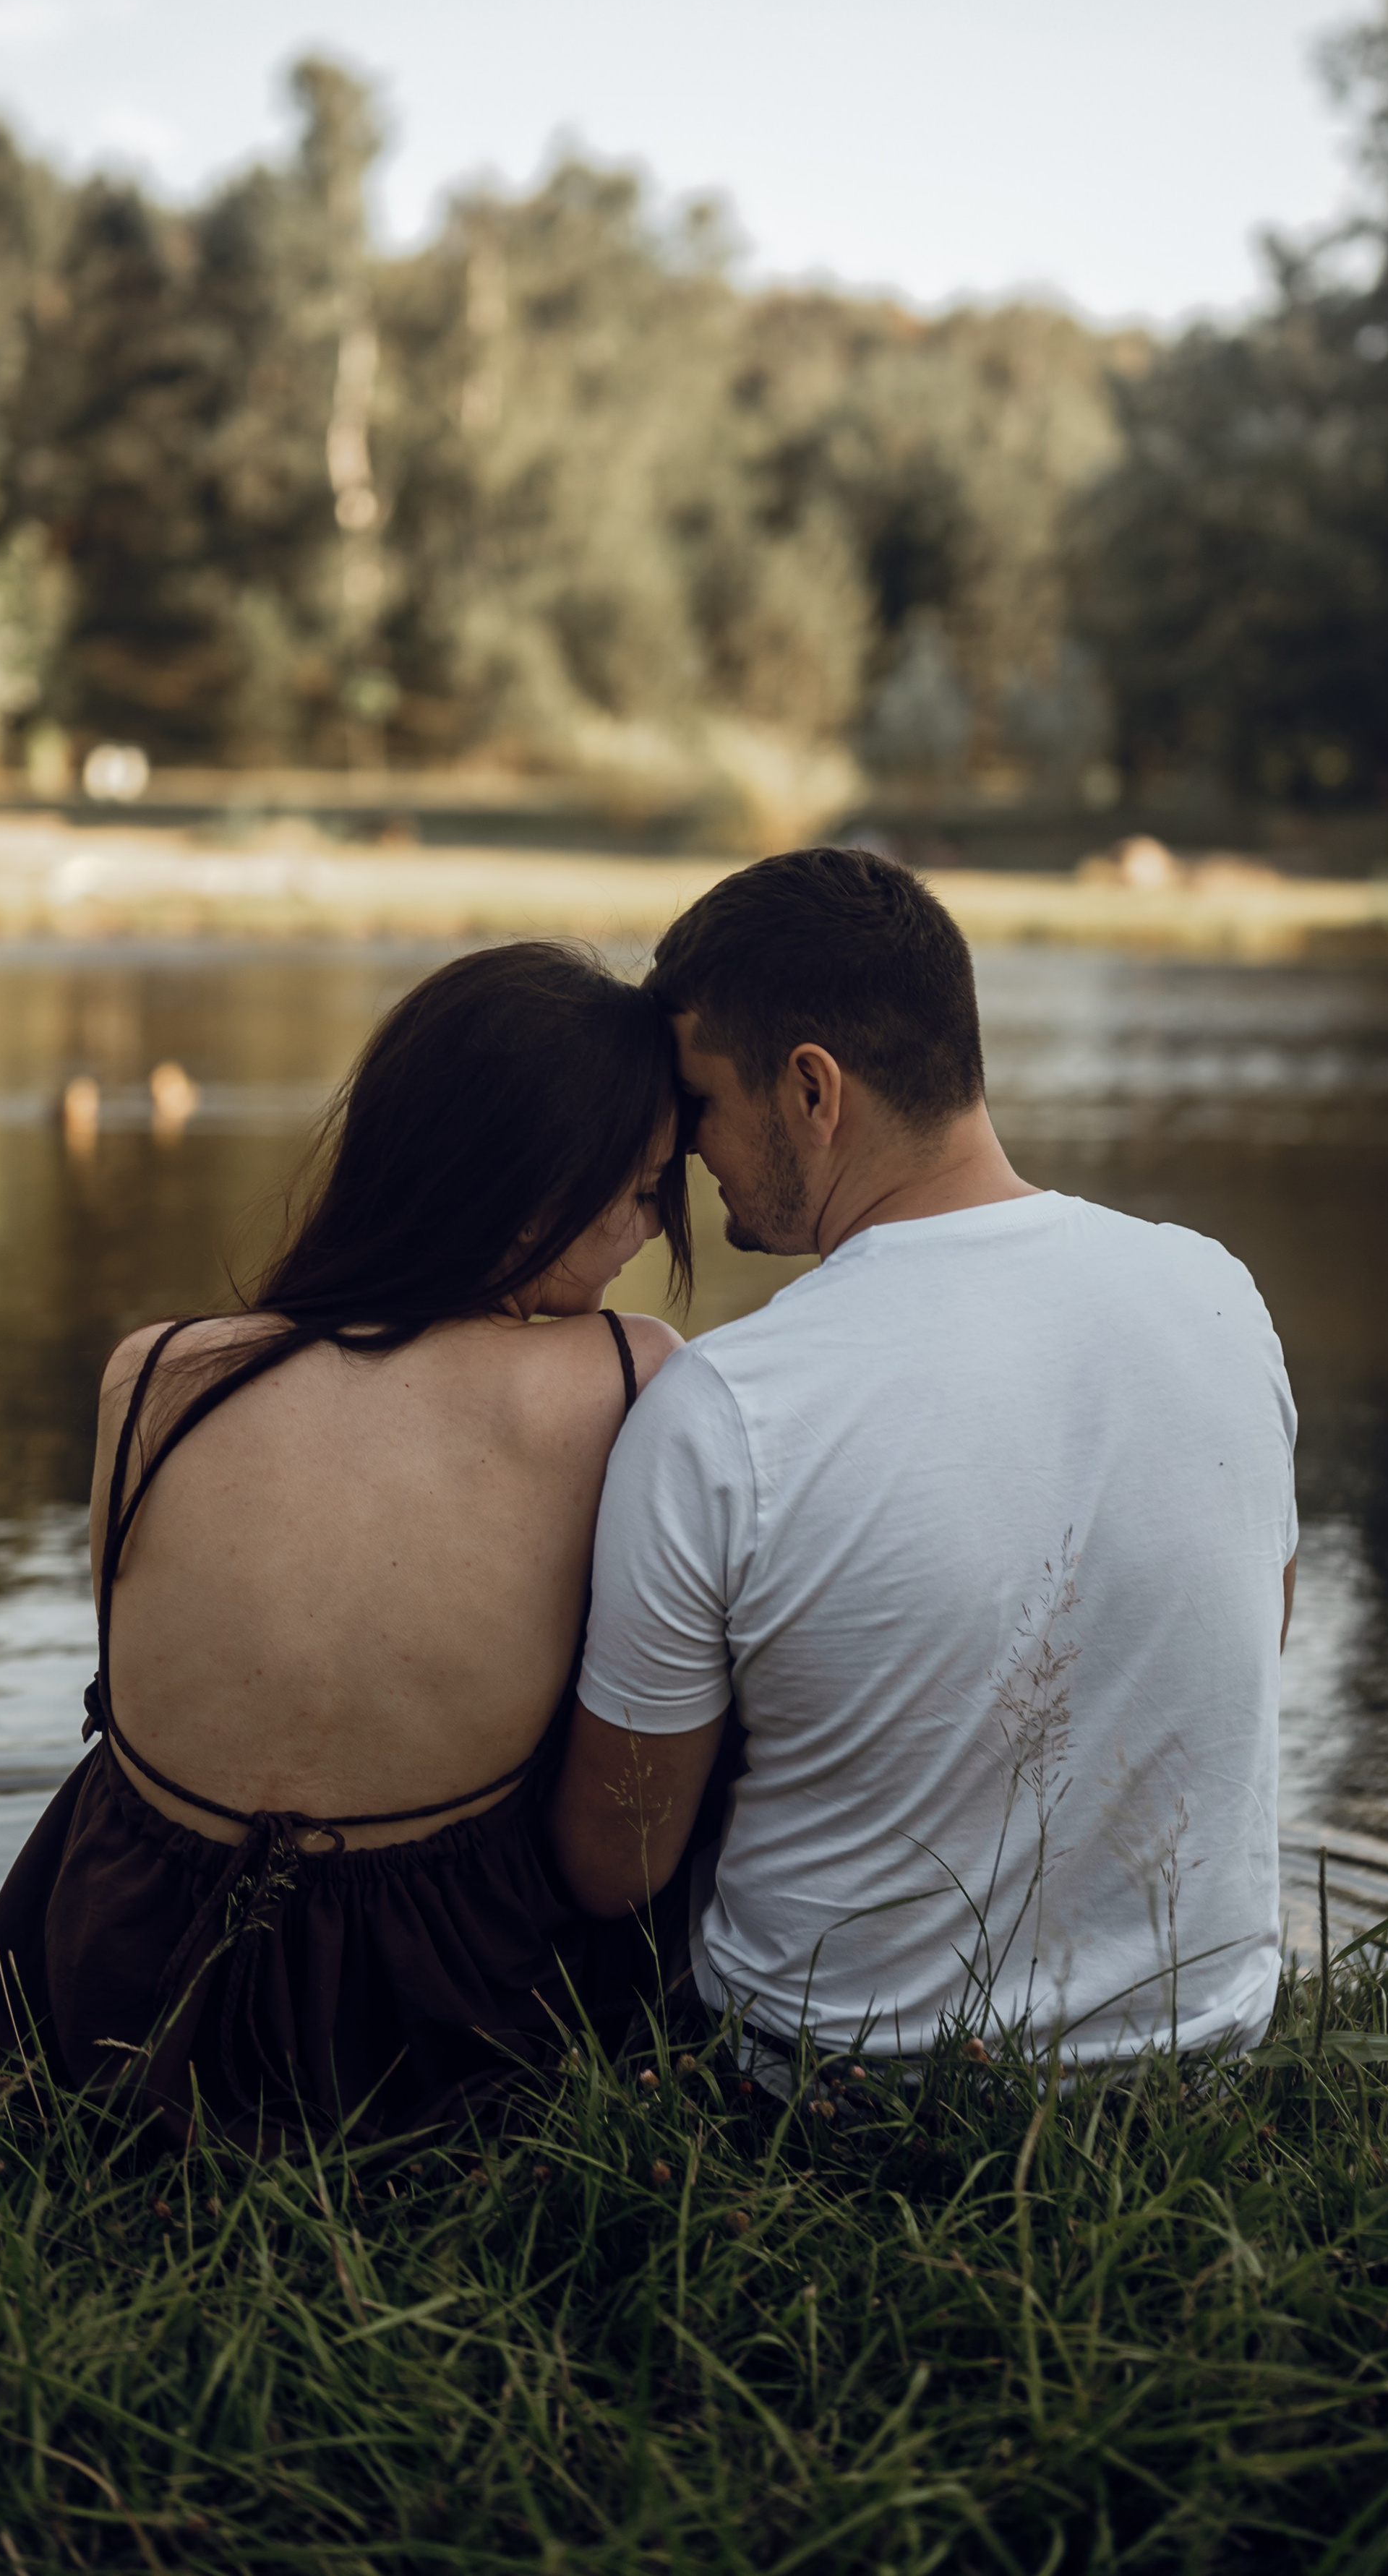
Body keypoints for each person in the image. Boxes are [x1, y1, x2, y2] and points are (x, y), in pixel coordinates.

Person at [552, 848, 1298, 2081]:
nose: (687, 1152)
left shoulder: (725, 1403)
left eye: (699, 1103)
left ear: (811, 1091)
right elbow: (1244, 1653)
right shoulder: (1216, 1294)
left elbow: (613, 1865)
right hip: (1199, 2045)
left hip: (838, 2084)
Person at [0, 943, 689, 2145]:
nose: (644, 1231)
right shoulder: (627, 1373)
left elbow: (125, 1666)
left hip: (109, 1986)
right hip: (438, 2023)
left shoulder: (158, 1370)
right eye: (641, 1189)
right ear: (534, 1183)